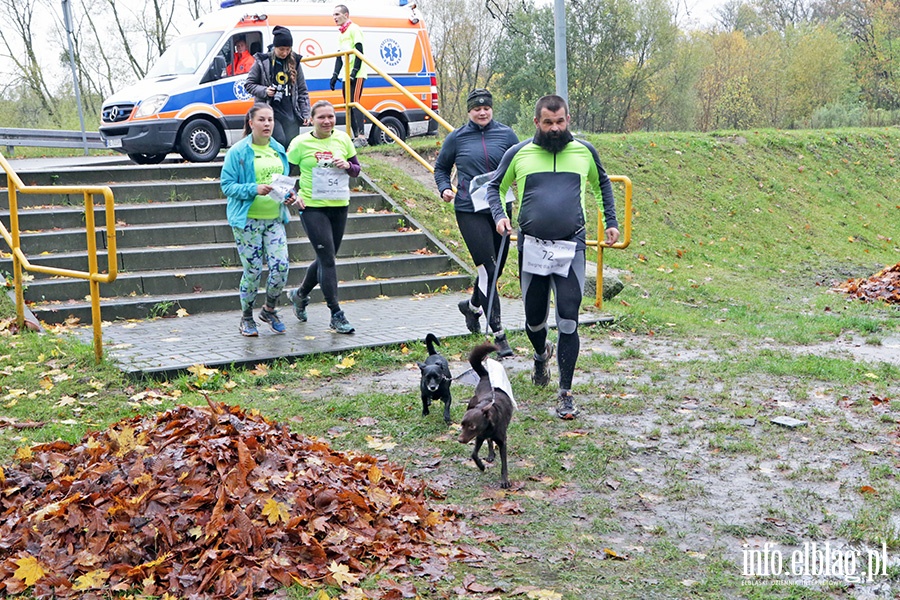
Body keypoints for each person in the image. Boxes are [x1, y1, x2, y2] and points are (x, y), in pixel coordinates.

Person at [486, 94, 620, 419]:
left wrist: (611, 221)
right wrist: (498, 215)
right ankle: (539, 353)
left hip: (570, 246)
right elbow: (494, 188)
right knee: (534, 321)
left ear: (568, 119)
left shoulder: (584, 151)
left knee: (568, 319)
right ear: (537, 122)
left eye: (560, 122)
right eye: (548, 122)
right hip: (532, 247)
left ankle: (565, 393)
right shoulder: (519, 153)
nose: (555, 128)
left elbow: (602, 184)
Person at [433, 88, 519, 357]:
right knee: (488, 270)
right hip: (469, 210)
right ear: (469, 111)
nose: (482, 112)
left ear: (492, 109)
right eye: (476, 109)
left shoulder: (506, 135)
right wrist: (445, 187)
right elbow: (441, 168)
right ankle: (498, 334)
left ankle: (471, 307)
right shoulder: (456, 138)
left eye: (486, 108)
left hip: (500, 210)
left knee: (496, 271)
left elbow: (521, 164)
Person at [286, 100, 362, 334]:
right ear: (311, 120)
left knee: (325, 257)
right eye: (322, 117)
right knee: (327, 259)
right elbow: (285, 175)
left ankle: (299, 295)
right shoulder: (300, 143)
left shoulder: (342, 139)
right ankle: (336, 314)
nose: (327, 121)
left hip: (339, 204)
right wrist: (293, 195)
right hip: (312, 207)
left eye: (331, 116)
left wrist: (347, 165)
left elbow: (357, 170)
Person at [220, 103, 296, 337]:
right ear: (250, 123)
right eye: (262, 120)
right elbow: (227, 186)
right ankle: (246, 317)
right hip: (248, 221)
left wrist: (289, 196)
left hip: (274, 219)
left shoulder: (277, 148)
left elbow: (282, 182)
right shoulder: (238, 151)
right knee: (252, 271)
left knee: (281, 266)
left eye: (270, 120)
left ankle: (269, 309)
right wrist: (253, 188)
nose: (267, 124)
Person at [244, 25, 311, 150]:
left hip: (291, 112)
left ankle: (288, 169)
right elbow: (249, 84)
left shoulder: (295, 62)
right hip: (271, 112)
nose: (284, 53)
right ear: (274, 47)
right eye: (281, 49)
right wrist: (265, 91)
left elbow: (302, 90)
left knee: (292, 146)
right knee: (279, 141)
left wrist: (306, 113)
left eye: (287, 49)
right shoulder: (262, 61)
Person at [329, 4, 368, 147]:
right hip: (346, 74)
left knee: (355, 102)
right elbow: (339, 57)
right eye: (333, 15)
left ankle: (361, 136)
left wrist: (354, 72)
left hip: (357, 73)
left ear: (346, 15)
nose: (335, 18)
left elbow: (359, 50)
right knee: (348, 105)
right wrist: (334, 75)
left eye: (337, 14)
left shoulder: (354, 29)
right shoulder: (341, 34)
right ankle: (353, 135)